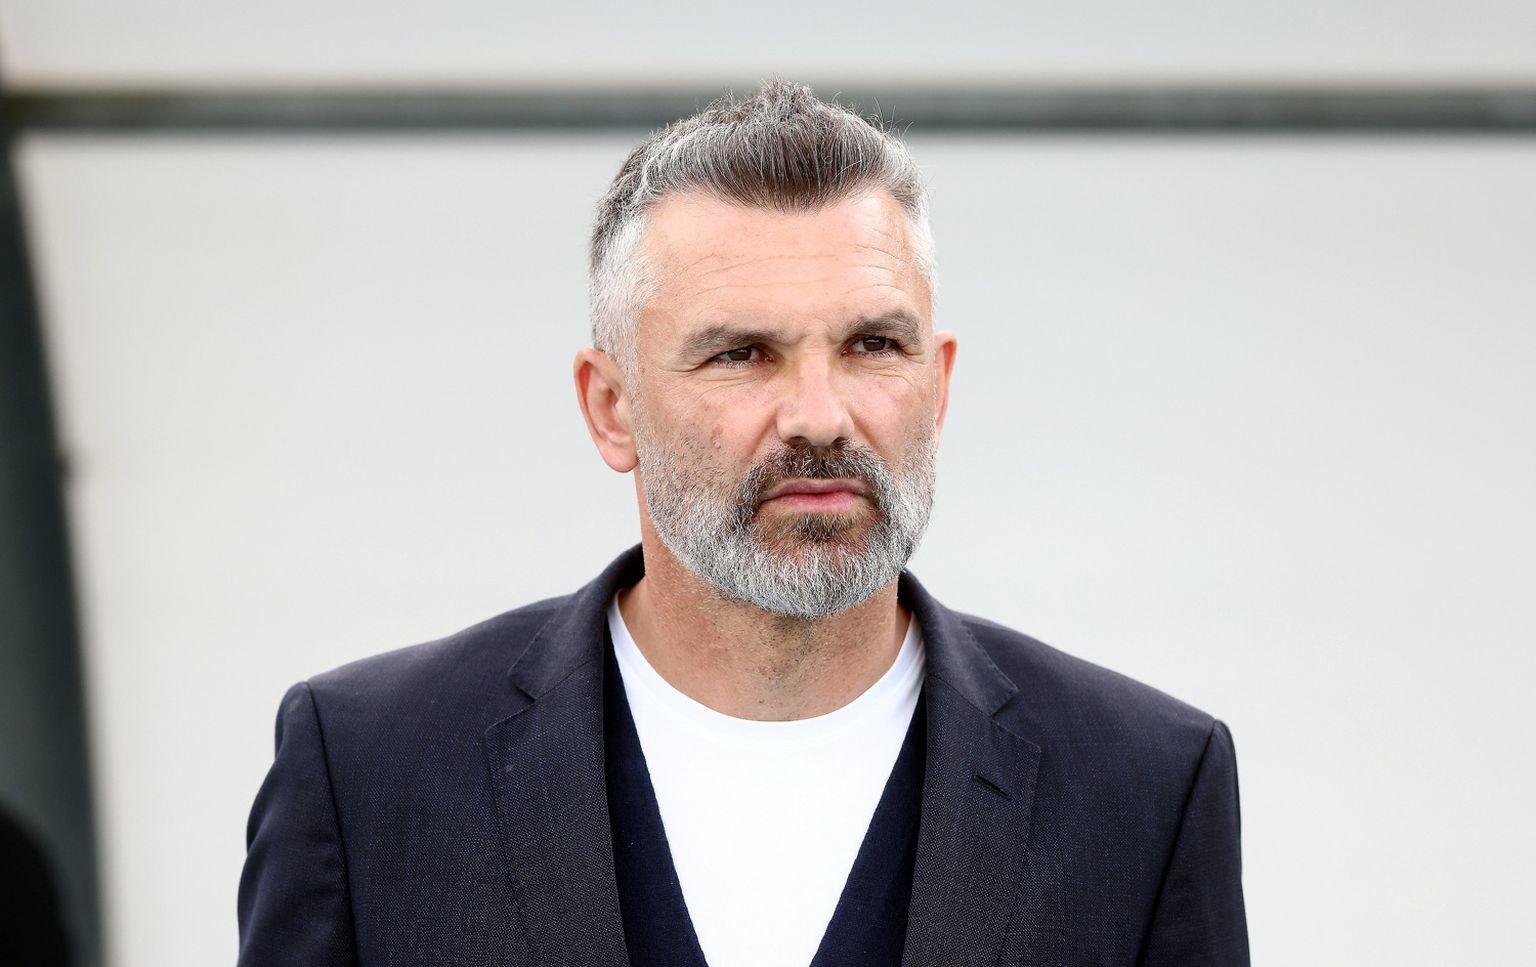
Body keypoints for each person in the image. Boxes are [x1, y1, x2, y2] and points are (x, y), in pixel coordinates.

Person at [237, 80, 1248, 967]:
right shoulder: (369, 770)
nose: (819, 414)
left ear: (938, 385)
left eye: (871, 344)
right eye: (741, 354)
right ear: (611, 407)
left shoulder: (1143, 789)